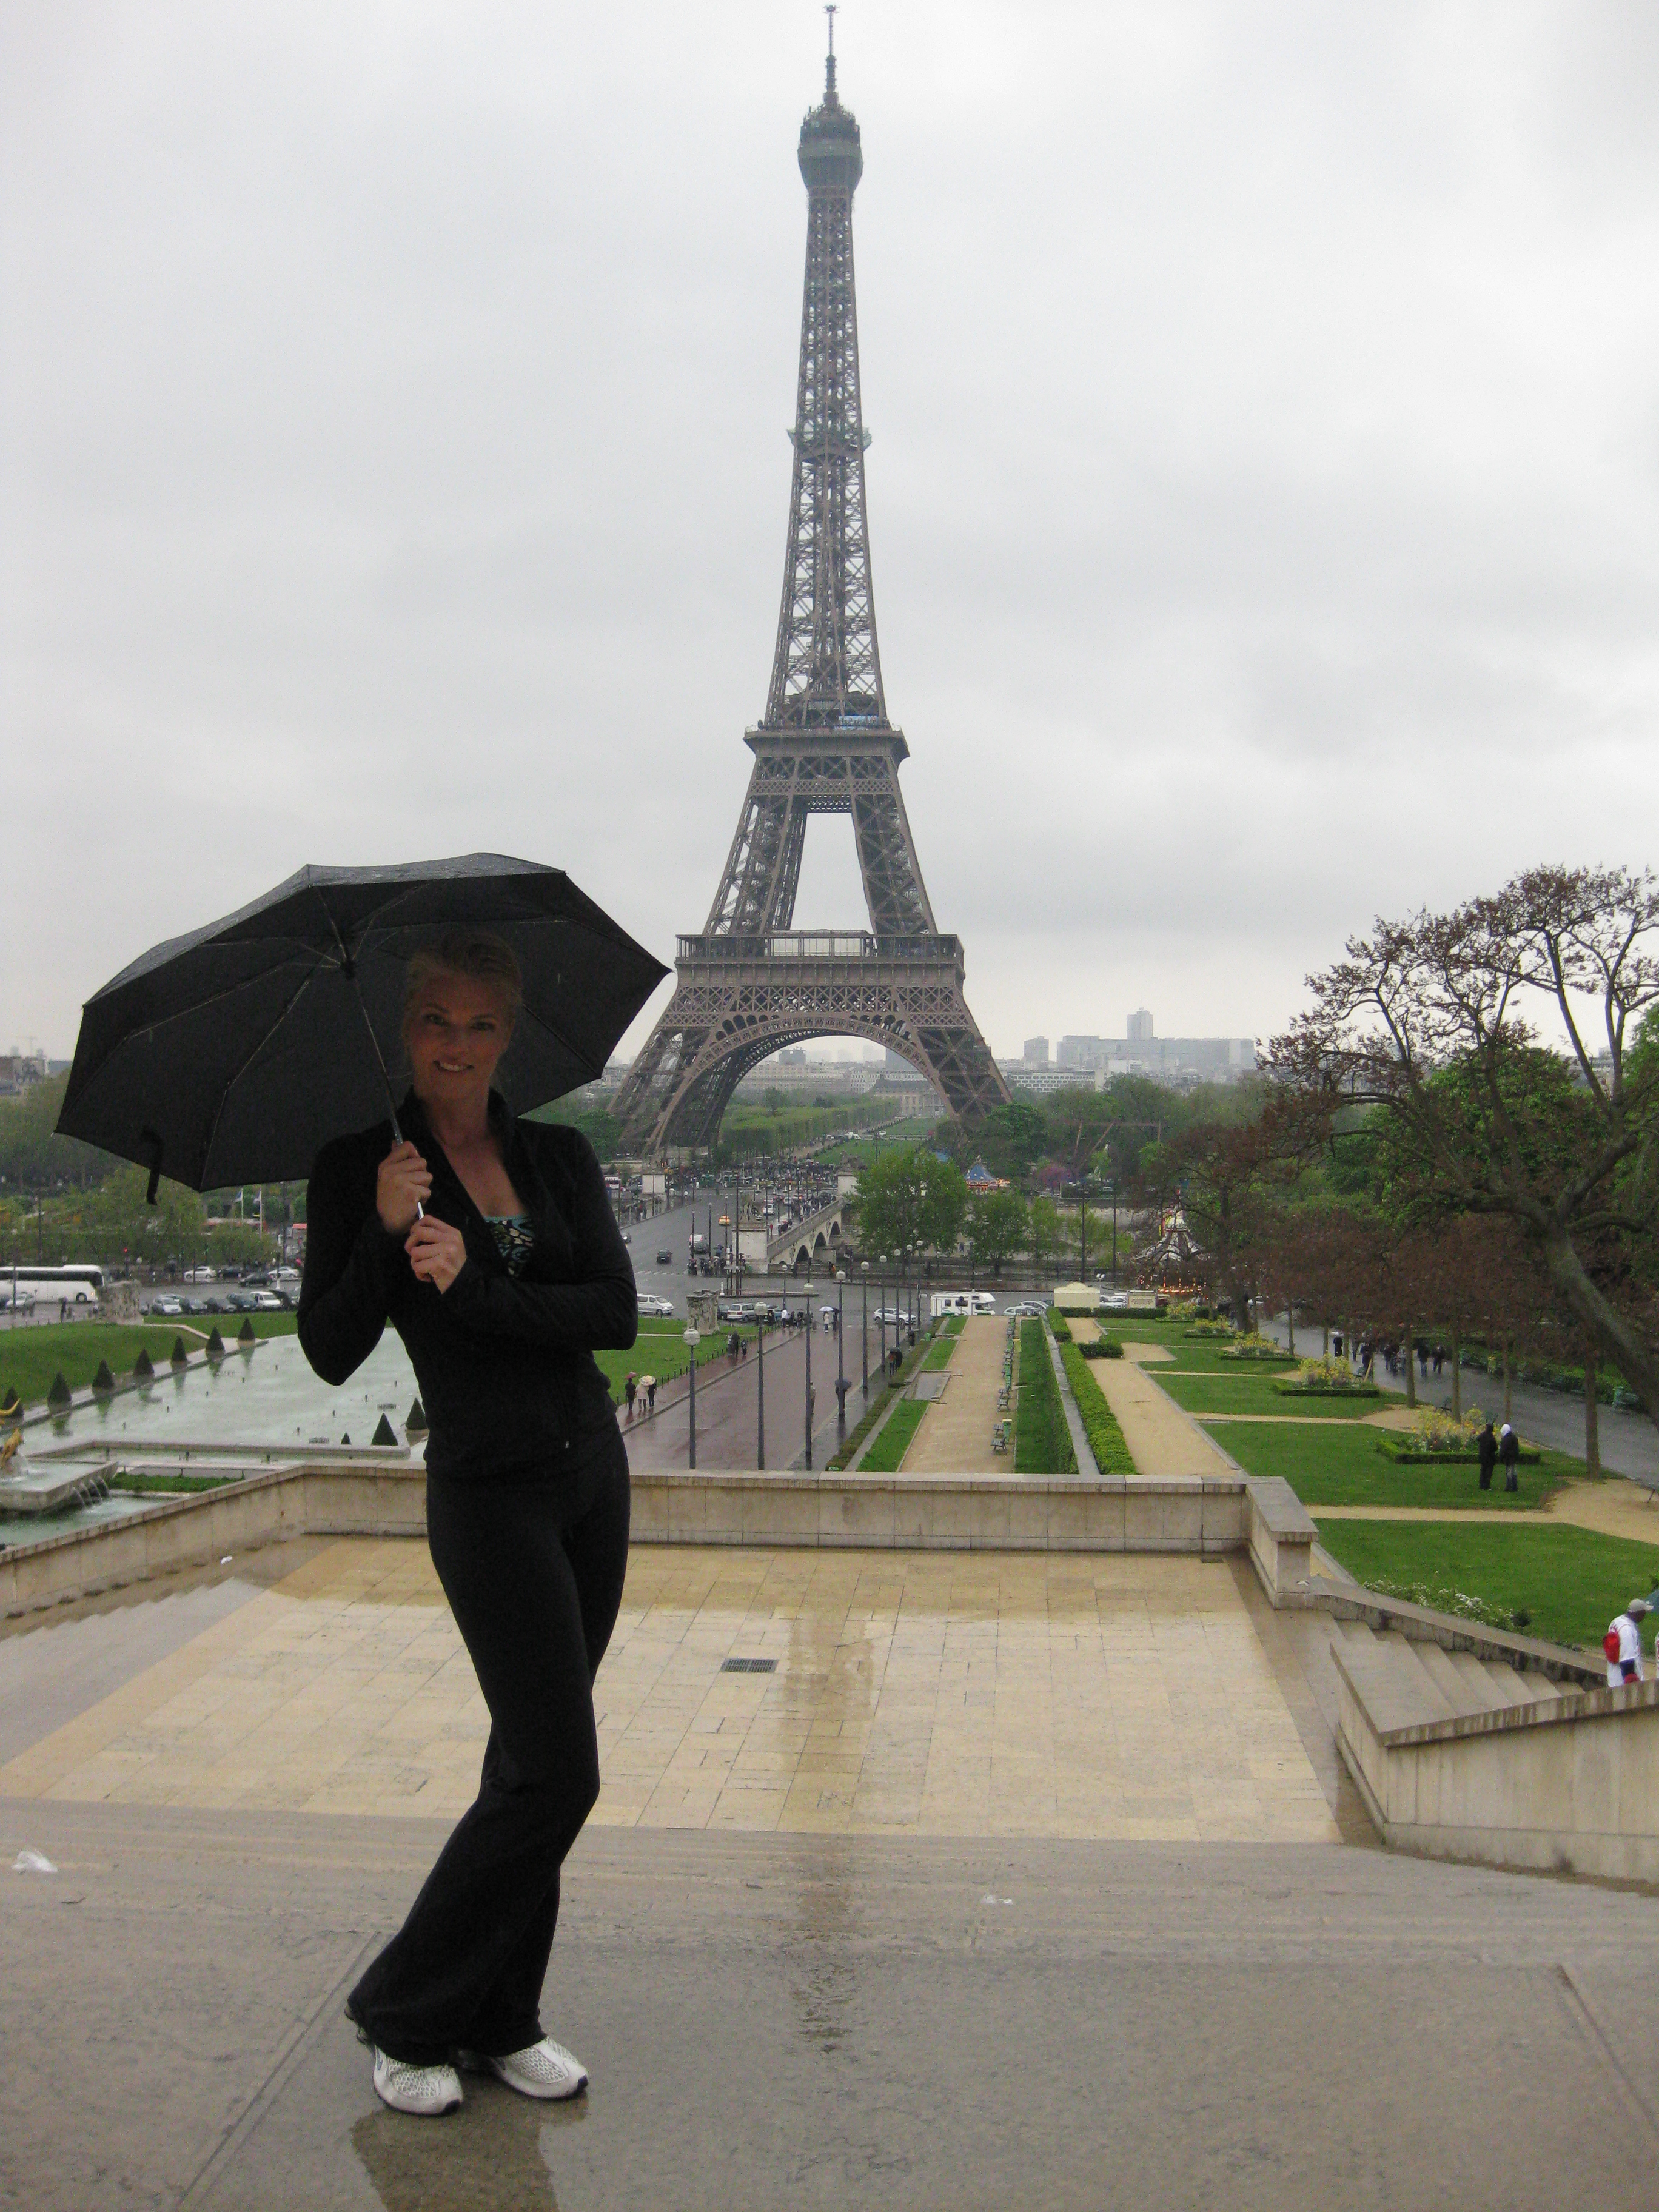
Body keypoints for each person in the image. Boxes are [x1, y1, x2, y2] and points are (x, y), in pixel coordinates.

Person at [298, 930, 635, 2120]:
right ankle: (403, 2008)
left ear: (510, 1034)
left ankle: (501, 2013)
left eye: (478, 1023)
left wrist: (481, 1285)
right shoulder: (359, 1166)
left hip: (591, 1476)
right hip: (487, 1490)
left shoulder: (555, 1153)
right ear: (405, 1029)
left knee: (528, 1767)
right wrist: (387, 1235)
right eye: (434, 1020)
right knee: (557, 1772)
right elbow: (332, 1350)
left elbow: (616, 1313)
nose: (455, 1044)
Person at [1604, 1598, 1649, 1689]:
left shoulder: (1617, 1621)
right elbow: (1627, 1661)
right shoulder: (1627, 1630)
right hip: (1623, 1684)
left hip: (1613, 1677)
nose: (1644, 1616)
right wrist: (1632, 1685)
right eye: (1644, 1613)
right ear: (1638, 1613)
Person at [1498, 1421, 1521, 1492]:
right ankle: (1514, 1486)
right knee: (1513, 1472)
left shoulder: (1505, 1439)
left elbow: (1503, 1450)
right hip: (1514, 1458)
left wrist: (1501, 1457)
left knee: (1509, 1473)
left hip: (1508, 1458)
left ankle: (1509, 1486)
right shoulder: (1514, 1437)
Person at [1476, 1419, 1498, 1491]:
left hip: (1483, 1456)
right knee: (1489, 1472)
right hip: (1490, 1457)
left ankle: (1481, 1484)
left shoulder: (1483, 1435)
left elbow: (1477, 1439)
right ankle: (1486, 1485)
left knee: (1483, 1470)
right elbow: (1496, 1448)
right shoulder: (1492, 1438)